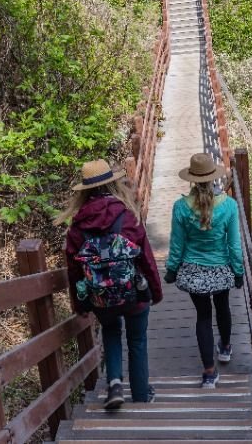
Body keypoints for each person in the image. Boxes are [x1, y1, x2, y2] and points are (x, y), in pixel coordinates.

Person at [58, 159, 163, 409]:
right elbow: (145, 257)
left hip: (100, 297)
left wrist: (79, 304)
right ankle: (140, 395)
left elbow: (74, 271)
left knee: (111, 332)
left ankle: (115, 384)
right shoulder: (127, 216)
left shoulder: (77, 228)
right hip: (134, 294)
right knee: (137, 340)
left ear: (83, 192)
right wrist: (155, 291)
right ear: (113, 185)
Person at [164, 153, 244, 389]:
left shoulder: (180, 207)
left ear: (192, 180)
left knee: (203, 316)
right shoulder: (229, 206)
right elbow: (234, 245)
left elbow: (177, 244)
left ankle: (209, 373)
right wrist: (238, 271)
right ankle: (226, 348)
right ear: (214, 179)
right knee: (223, 307)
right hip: (221, 268)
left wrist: (171, 270)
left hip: (193, 270)